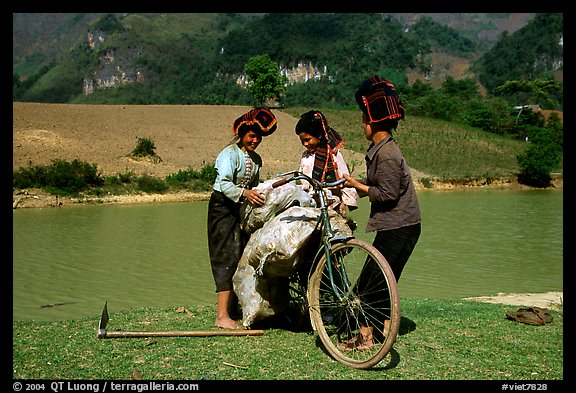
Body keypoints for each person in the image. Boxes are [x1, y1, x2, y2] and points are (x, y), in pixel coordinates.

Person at [341, 75, 421, 350]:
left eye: (363, 119)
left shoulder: (386, 154)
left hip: (399, 225)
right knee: (384, 280)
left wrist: (356, 185)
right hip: (403, 225)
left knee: (370, 282)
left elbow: (387, 194)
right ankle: (386, 330)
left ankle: (365, 337)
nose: (361, 124)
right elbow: (382, 188)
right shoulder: (383, 149)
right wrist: (359, 188)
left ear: (372, 122)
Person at [207, 107, 278, 329]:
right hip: (222, 208)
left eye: (258, 137)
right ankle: (222, 317)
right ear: (242, 133)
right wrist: (246, 193)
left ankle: (235, 309)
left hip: (239, 209)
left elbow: (254, 185)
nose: (255, 140)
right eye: (251, 135)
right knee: (225, 256)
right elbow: (226, 184)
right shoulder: (229, 154)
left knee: (242, 254)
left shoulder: (256, 160)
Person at [295, 110, 358, 218]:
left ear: (319, 135)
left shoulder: (332, 155)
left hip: (332, 206)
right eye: (302, 141)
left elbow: (345, 179)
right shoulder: (305, 156)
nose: (305, 144)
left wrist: (344, 203)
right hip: (311, 206)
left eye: (307, 139)